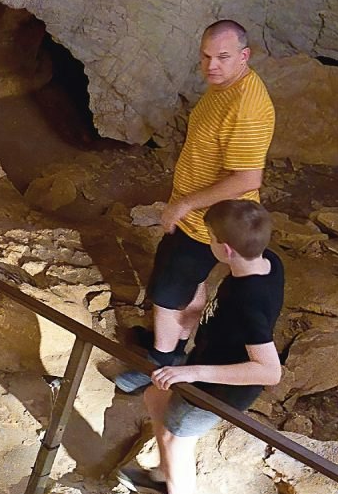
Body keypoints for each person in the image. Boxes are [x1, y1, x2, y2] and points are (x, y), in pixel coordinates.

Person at [115, 21, 275, 393]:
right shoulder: (226, 87)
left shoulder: (246, 105)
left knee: (168, 295)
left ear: (244, 56)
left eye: (222, 57)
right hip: (207, 218)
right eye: (205, 56)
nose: (211, 66)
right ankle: (177, 347)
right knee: (190, 281)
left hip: (207, 222)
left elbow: (248, 178)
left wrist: (184, 205)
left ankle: (159, 363)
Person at [120, 201, 283, 494]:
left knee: (176, 440)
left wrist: (191, 371)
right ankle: (167, 478)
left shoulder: (249, 298)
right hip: (208, 368)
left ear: (224, 249)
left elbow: (269, 371)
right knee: (154, 396)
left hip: (215, 388)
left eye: (209, 237)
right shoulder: (269, 264)